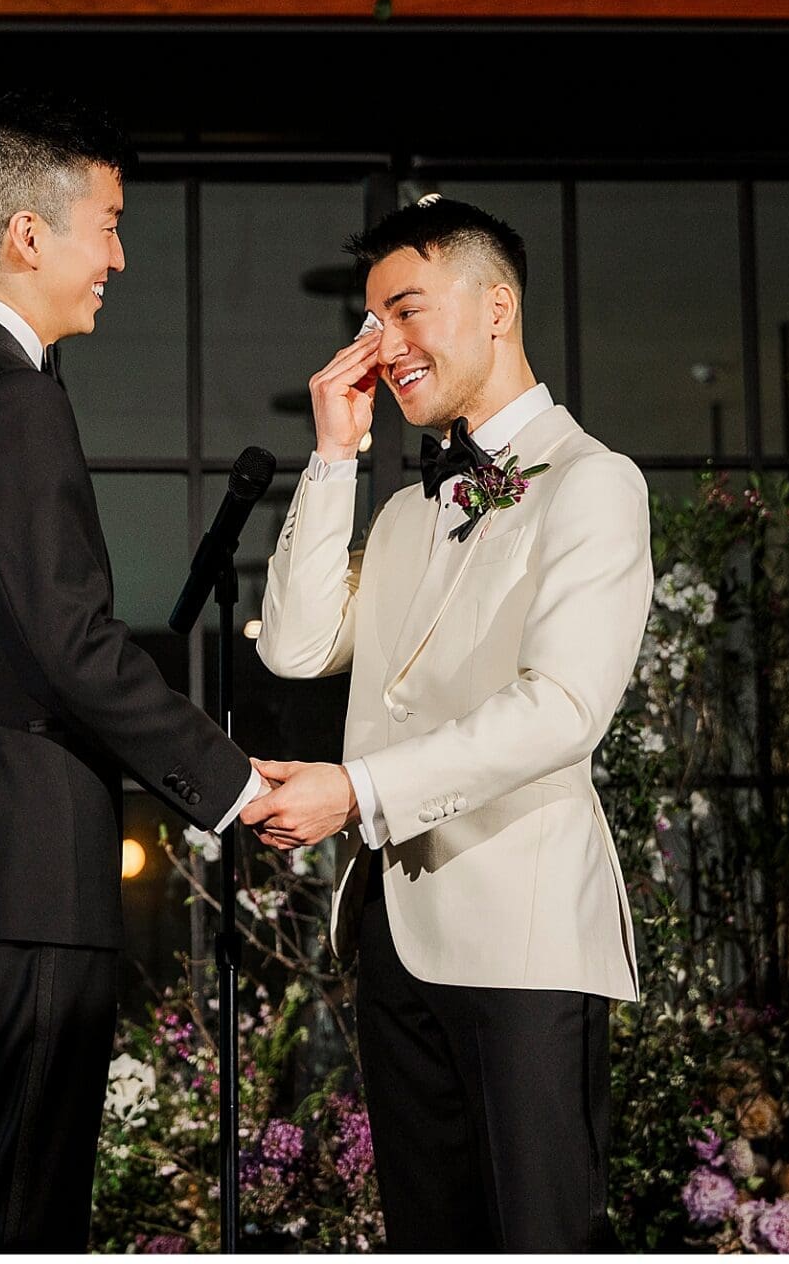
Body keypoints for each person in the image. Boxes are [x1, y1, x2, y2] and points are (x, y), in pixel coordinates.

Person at [0, 94, 272, 1252]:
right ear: (28, 235)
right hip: (26, 875)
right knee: (23, 1224)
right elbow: (71, 645)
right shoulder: (12, 399)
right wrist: (233, 784)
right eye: (108, 225)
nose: (118, 257)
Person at [247, 195, 652, 1252]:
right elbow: (292, 646)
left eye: (407, 310)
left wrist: (356, 791)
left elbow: (563, 707)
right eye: (371, 319)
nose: (382, 344)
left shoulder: (594, 482)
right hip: (394, 937)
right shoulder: (401, 513)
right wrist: (334, 455)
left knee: (538, 1237)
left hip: (522, 942)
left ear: (497, 307)